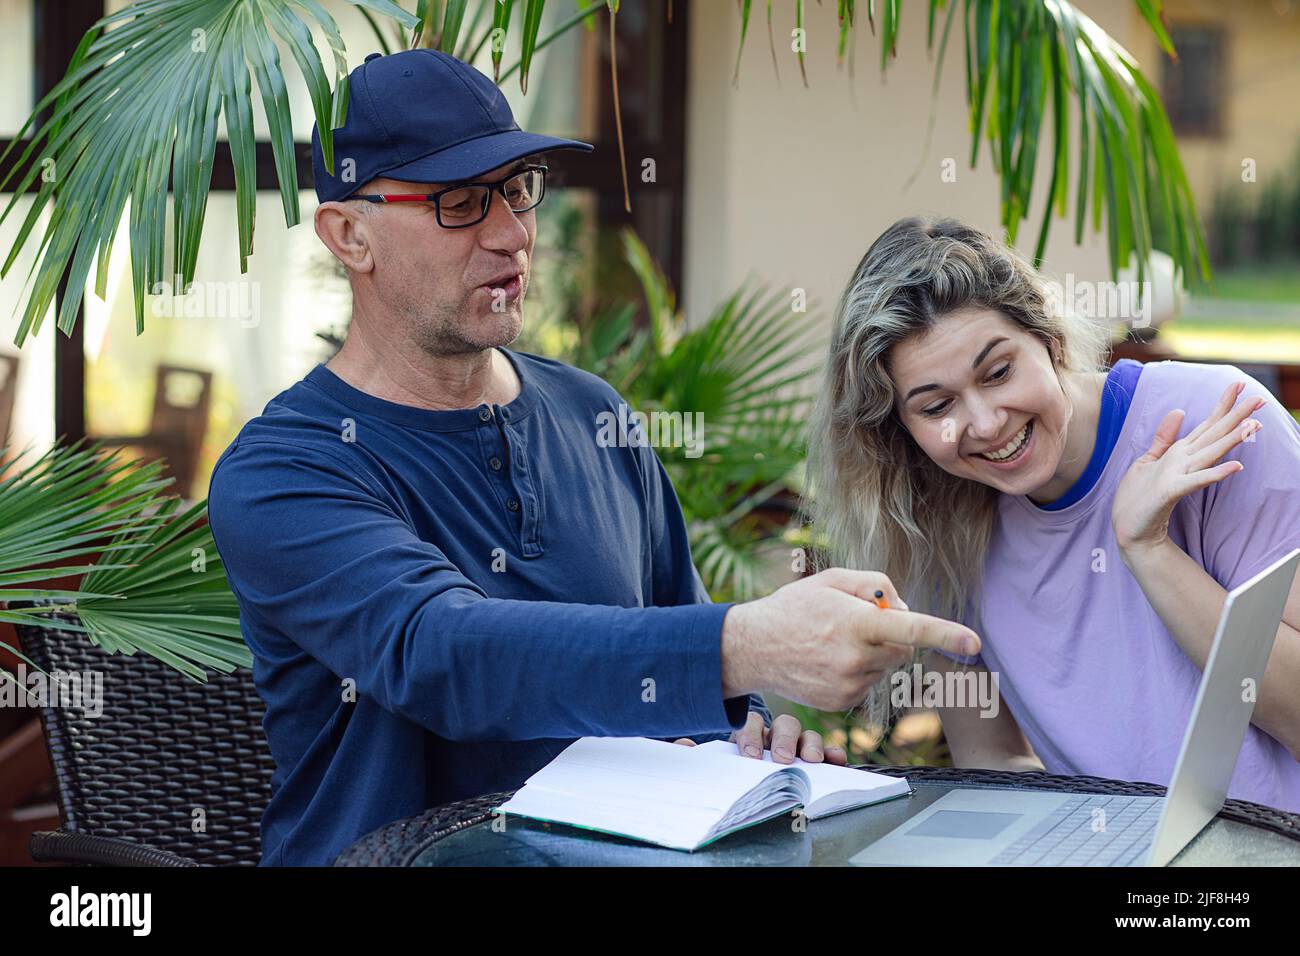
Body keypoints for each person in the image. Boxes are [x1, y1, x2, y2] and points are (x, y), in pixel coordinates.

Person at [207, 52, 979, 866]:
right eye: (460, 203)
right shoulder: (285, 472)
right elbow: (442, 652)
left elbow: (688, 678)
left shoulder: (594, 414)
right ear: (348, 234)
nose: (511, 234)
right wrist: (750, 640)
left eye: (518, 188)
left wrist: (756, 740)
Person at [806, 216, 1300, 810]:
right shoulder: (932, 525)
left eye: (998, 372)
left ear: (1049, 338)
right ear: (902, 431)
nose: (986, 424)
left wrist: (1149, 550)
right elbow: (993, 763)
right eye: (937, 405)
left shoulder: (1218, 420)